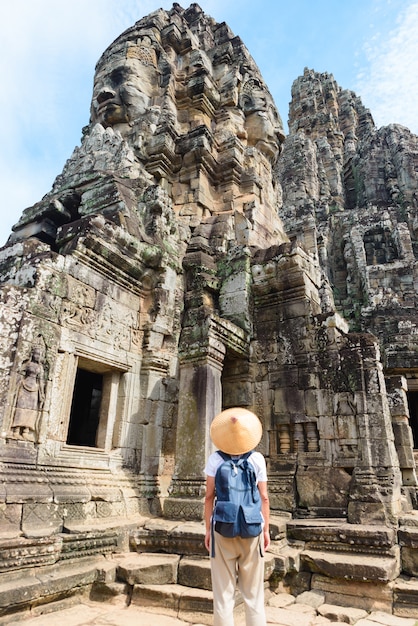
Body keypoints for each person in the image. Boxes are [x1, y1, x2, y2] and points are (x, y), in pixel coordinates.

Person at [204, 407, 270, 626]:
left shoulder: (215, 459)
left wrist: (207, 531)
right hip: (253, 529)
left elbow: (209, 497)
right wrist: (266, 530)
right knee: (254, 595)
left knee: (223, 595)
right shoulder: (257, 459)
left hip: (222, 529)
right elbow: (264, 497)